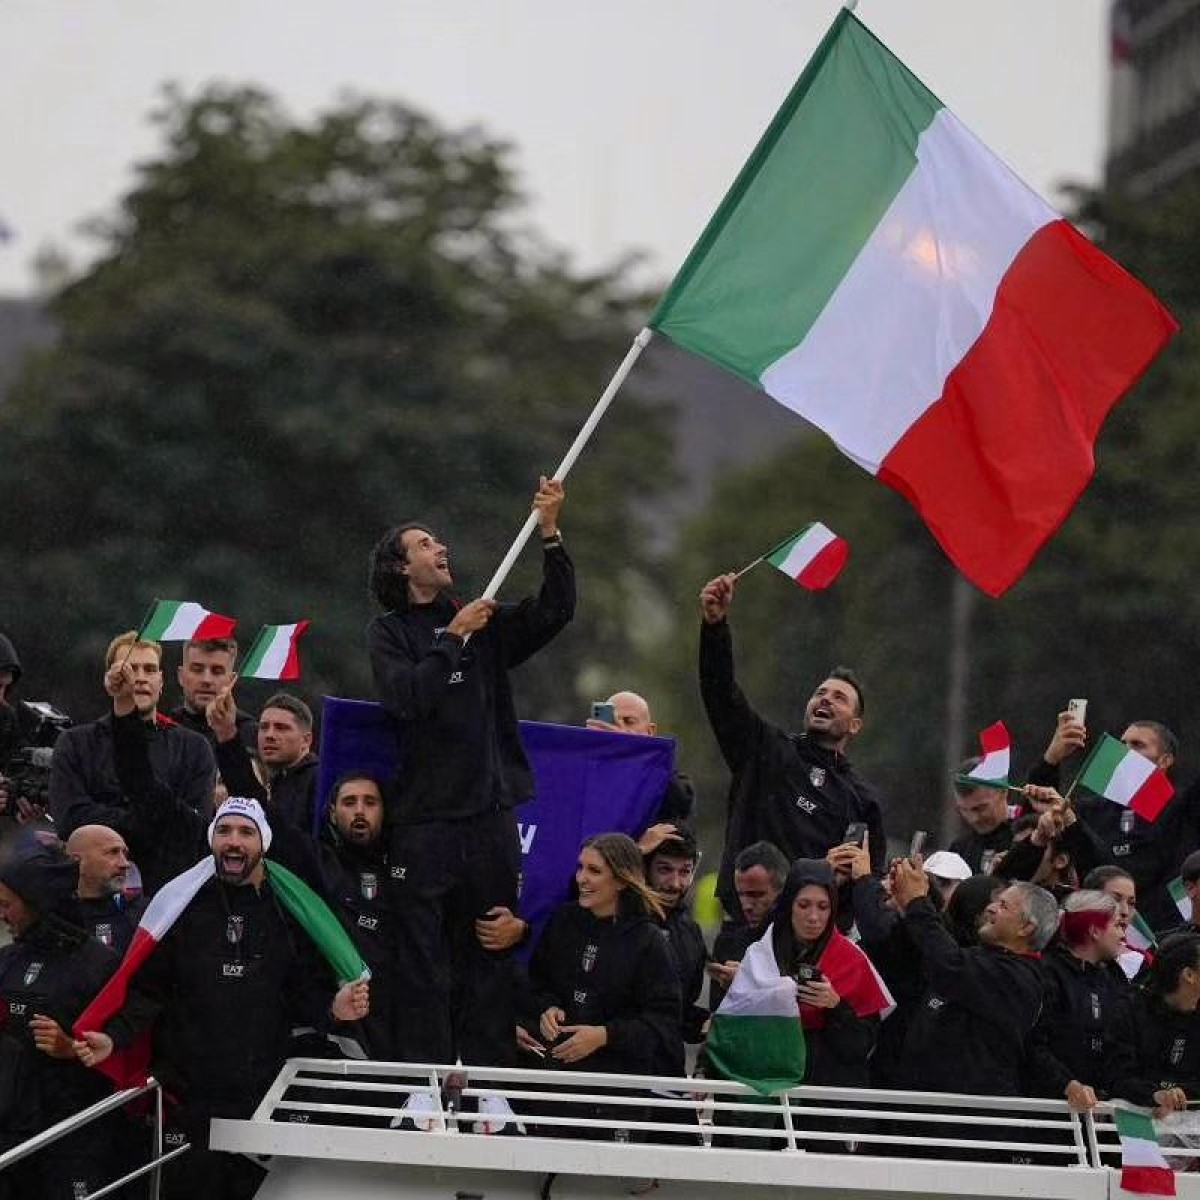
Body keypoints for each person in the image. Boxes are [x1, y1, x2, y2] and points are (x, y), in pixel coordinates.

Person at [367, 476, 575, 1069]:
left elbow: (556, 611)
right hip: (425, 823)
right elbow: (409, 698)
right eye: (426, 544)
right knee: (423, 964)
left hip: (488, 817)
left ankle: (487, 1086)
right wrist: (450, 641)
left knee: (491, 954)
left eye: (439, 542)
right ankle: (424, 1085)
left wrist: (552, 536)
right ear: (403, 569)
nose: (442, 549)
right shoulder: (388, 635)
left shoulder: (480, 622)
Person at [73, 797, 369, 1200]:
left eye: (246, 832)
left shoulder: (287, 910)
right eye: (224, 831)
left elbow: (301, 987)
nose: (234, 841)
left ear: (262, 843)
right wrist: (114, 1037)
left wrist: (332, 1009)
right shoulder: (182, 906)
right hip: (189, 1097)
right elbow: (148, 987)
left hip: (263, 1092)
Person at [698, 573, 886, 924]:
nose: (825, 699)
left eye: (839, 698)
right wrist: (714, 628)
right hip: (746, 932)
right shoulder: (766, 750)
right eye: (820, 693)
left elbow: (865, 887)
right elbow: (721, 694)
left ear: (855, 725)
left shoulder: (862, 800)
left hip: (810, 946)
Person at [520, 833, 681, 1139]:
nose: (582, 878)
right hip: (551, 1089)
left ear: (621, 880)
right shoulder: (563, 921)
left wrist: (604, 1036)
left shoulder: (649, 941)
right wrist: (547, 1008)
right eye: (580, 868)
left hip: (614, 1098)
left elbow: (663, 1022)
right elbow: (535, 984)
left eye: (594, 871)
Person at [48, 631, 215, 895]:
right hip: (92, 894)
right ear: (110, 679)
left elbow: (195, 827)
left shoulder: (193, 748)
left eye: (149, 669)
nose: (139, 677)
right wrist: (144, 823)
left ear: (161, 681)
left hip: (167, 892)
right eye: (129, 669)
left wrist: (112, 820)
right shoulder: (75, 743)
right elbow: (70, 817)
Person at [0, 843, 121, 1200]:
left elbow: (123, 1052)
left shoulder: (99, 965)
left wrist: (70, 1048)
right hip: (14, 1132)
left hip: (75, 1134)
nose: (2, 915)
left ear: (38, 902)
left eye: (7, 905)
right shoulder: (8, 959)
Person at [891, 862, 1057, 1096]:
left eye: (1003, 905)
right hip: (919, 1107)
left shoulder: (1019, 978)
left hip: (965, 1119)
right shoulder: (980, 956)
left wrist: (917, 902)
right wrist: (907, 902)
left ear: (1026, 928)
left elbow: (949, 965)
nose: (989, 908)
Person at [1030, 710, 1193, 932]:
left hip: (1164, 933)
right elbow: (1040, 806)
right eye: (1122, 743)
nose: (1123, 751)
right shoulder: (1094, 809)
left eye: (1137, 745)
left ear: (1164, 760)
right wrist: (1052, 757)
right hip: (1096, 932)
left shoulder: (1183, 807)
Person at [1025, 890, 1159, 1111]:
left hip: (1100, 1110)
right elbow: (1033, 1043)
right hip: (1051, 1110)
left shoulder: (1113, 978)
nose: (1123, 936)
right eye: (1118, 926)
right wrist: (1068, 1085)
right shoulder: (1047, 973)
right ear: (1095, 931)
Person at [317, 771, 398, 1059]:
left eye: (370, 802)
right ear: (332, 811)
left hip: (402, 1027)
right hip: (341, 1030)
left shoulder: (406, 870)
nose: (360, 810)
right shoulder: (318, 864)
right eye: (349, 802)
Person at [210, 690, 319, 833]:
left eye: (281, 728)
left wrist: (228, 736)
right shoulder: (275, 781)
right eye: (264, 727)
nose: (269, 735)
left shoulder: (319, 782)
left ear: (306, 740)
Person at [586, 691, 696, 826]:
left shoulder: (663, 777)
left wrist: (629, 751)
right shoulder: (586, 772)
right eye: (613, 722)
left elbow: (678, 801)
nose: (620, 729)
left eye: (629, 722)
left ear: (650, 731)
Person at [643, 827, 707, 1045]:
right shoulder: (615, 918)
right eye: (664, 870)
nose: (675, 883)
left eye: (685, 871)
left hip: (667, 1067)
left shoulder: (691, 932)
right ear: (645, 868)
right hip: (613, 1069)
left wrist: (709, 1024)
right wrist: (635, 852)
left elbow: (679, 1013)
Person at [708, 841, 789, 1011]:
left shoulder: (801, 943)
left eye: (756, 895)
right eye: (741, 894)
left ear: (782, 891)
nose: (746, 905)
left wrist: (746, 983)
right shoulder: (727, 945)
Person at [1127, 932, 1200, 1107]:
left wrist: (1183, 1092)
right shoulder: (1131, 1010)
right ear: (1188, 975)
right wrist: (1154, 1095)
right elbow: (1118, 1076)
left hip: (1188, 1124)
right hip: (1135, 1122)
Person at [65, 823, 147, 955]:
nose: (125, 864)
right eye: (113, 852)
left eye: (125, 854)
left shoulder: (147, 914)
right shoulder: (58, 922)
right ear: (77, 862)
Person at [168, 636, 257, 752]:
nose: (207, 680)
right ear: (181, 676)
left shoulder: (252, 734)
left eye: (217, 672)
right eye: (197, 670)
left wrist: (228, 735)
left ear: (231, 680)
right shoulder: (163, 729)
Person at [949, 761, 1013, 875]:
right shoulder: (958, 850)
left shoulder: (1026, 837)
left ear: (1003, 792)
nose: (973, 819)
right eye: (963, 810)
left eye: (980, 808)